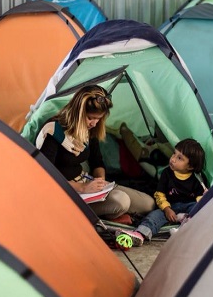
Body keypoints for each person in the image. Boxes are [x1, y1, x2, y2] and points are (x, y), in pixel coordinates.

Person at [35, 84, 155, 223]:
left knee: (148, 204)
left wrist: (100, 181)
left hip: (86, 182)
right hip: (64, 191)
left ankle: (109, 216)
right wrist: (83, 188)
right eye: (91, 118)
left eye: (99, 119)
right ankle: (108, 218)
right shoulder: (53, 131)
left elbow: (97, 161)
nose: (94, 123)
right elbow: (44, 178)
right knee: (121, 202)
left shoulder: (89, 130)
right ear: (78, 113)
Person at [116, 138, 207, 250]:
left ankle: (184, 228)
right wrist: (167, 209)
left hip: (187, 207)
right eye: (174, 154)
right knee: (153, 216)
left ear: (190, 166)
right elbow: (160, 194)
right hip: (169, 206)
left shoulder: (196, 180)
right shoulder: (167, 173)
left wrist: (204, 197)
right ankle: (140, 234)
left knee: (196, 208)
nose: (173, 159)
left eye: (179, 158)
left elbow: (199, 198)